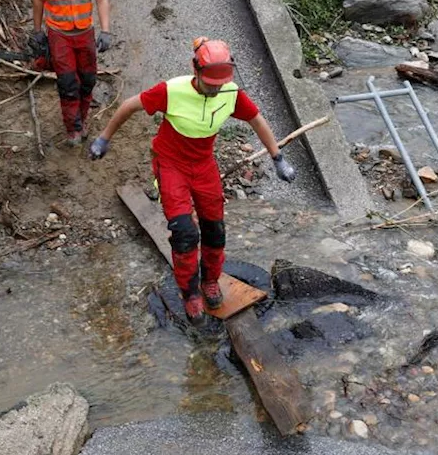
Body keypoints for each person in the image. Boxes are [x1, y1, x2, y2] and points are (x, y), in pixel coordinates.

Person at [88, 38, 297, 321]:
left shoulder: (230, 93)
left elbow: (257, 120)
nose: (214, 89)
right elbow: (129, 105)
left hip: (204, 165)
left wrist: (277, 159)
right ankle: (190, 294)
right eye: (210, 83)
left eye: (219, 84)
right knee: (185, 233)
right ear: (195, 70)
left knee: (215, 229)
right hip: (171, 165)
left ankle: (210, 281)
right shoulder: (170, 91)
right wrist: (104, 138)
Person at [32, 0, 110, 146]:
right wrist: (37, 31)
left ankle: (81, 119)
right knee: (67, 83)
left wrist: (105, 31)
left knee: (87, 79)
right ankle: (73, 128)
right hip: (59, 33)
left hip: (85, 32)